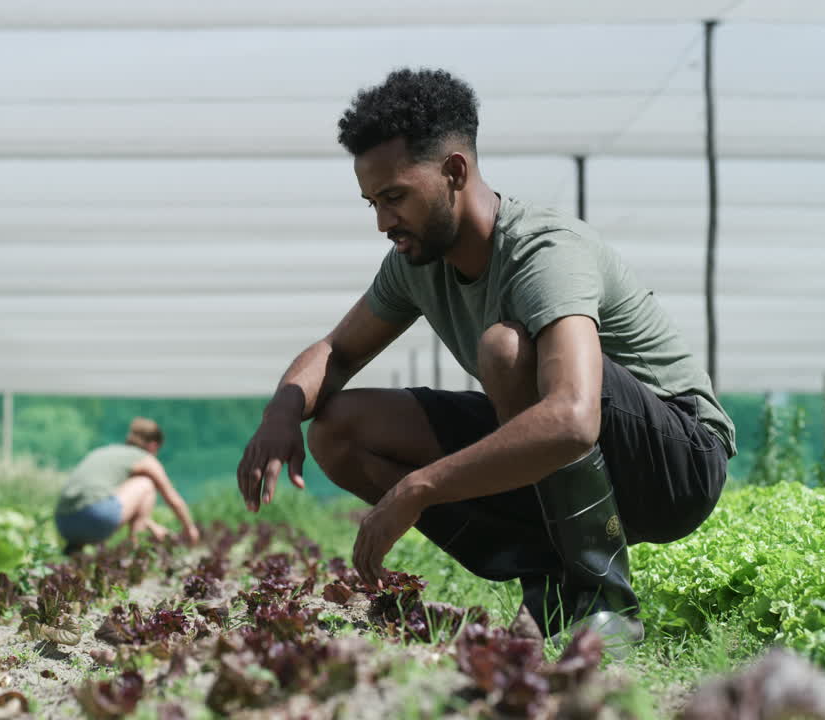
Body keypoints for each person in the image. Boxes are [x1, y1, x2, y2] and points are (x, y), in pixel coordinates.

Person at [236, 69, 735, 645]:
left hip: (676, 462)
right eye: (372, 202)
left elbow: (573, 419)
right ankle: (549, 584)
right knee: (338, 430)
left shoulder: (542, 252)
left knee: (504, 348)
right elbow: (334, 352)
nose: (382, 222)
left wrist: (420, 487)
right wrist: (279, 416)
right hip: (575, 453)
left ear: (454, 171)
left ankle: (605, 604)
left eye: (395, 197)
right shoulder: (415, 263)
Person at [55, 418, 201, 555]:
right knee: (146, 483)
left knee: (108, 493)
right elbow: (172, 499)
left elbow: (113, 503)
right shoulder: (144, 458)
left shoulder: (108, 451)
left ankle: (74, 552)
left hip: (64, 523)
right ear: (153, 446)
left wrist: (152, 526)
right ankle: (135, 552)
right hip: (96, 519)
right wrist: (190, 529)